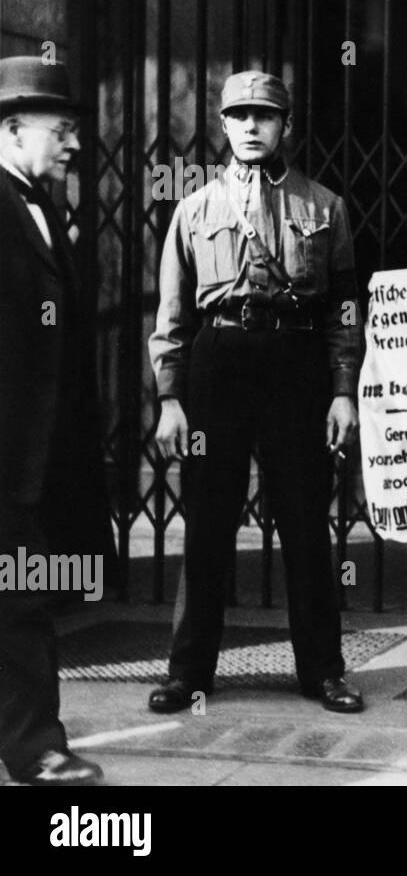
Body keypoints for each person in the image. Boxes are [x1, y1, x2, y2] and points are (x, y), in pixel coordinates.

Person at [147, 71, 365, 714]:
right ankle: (189, 672)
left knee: (304, 522)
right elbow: (172, 312)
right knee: (209, 522)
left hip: (294, 366)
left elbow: (344, 309)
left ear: (286, 126)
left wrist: (342, 390)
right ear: (221, 124)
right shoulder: (194, 210)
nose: (250, 127)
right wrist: (169, 396)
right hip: (219, 363)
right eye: (238, 115)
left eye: (264, 116)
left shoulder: (325, 207)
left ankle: (324, 670)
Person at [0, 56, 115, 784]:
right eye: (62, 130)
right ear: (13, 129)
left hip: (32, 453)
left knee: (22, 595)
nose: (74, 144)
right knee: (21, 599)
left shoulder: (41, 204)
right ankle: (36, 747)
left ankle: (31, 737)